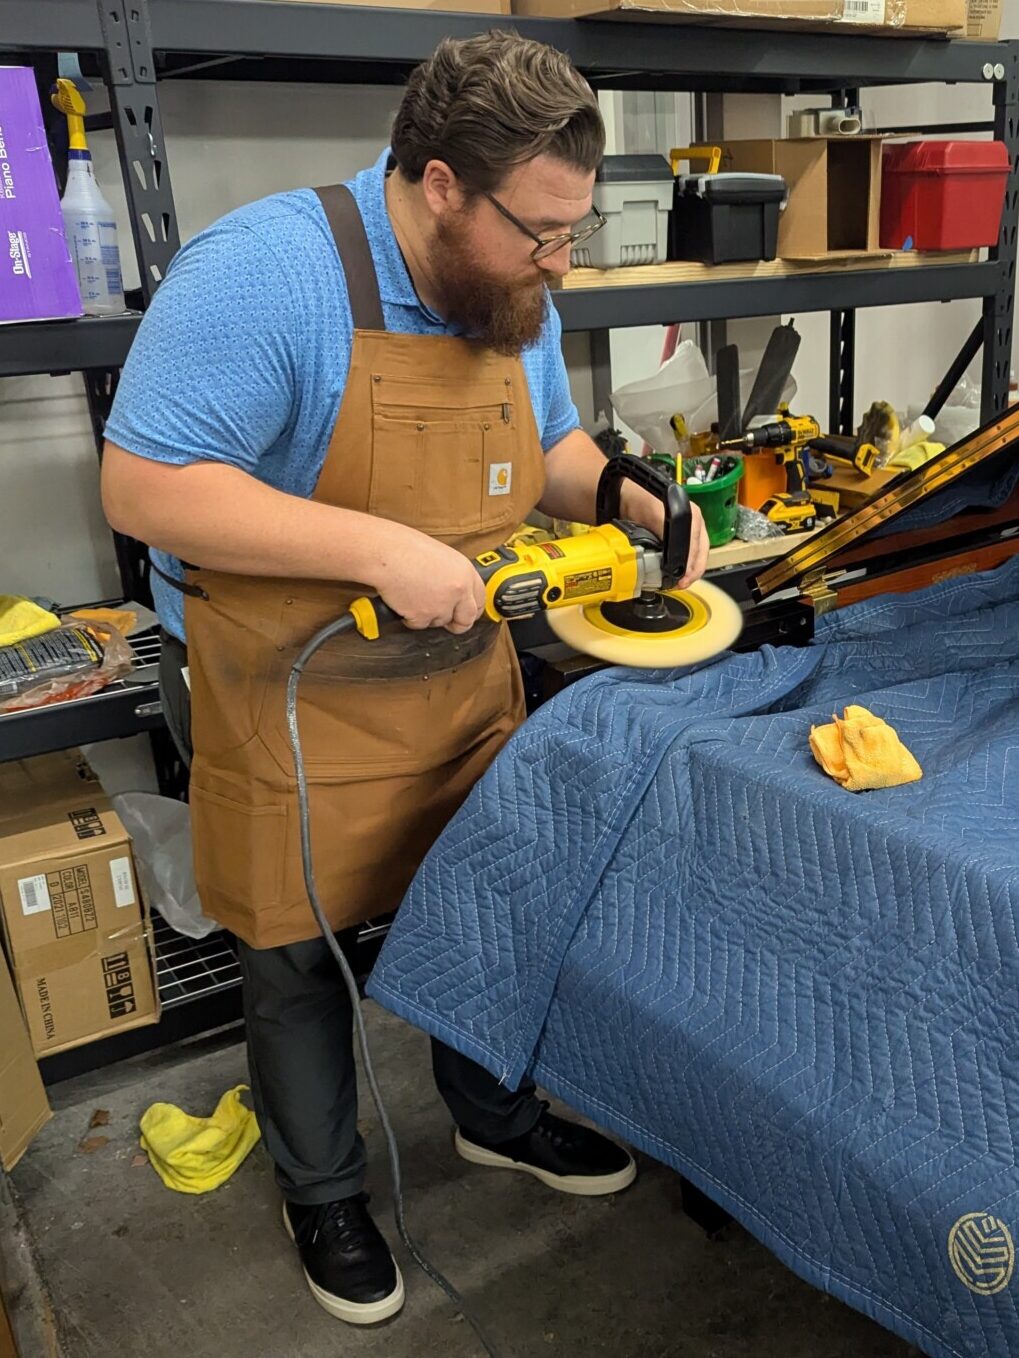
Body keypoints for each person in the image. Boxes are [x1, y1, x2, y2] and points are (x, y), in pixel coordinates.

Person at [101, 30, 708, 1328]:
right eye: (538, 232)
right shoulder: (266, 275)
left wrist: (628, 493)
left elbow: (543, 444)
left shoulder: (513, 286)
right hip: (286, 685)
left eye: (574, 234)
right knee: (297, 949)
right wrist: (379, 545)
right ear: (440, 184)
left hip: (453, 670)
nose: (559, 261)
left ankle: (494, 1111)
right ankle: (320, 1186)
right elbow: (145, 486)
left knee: (489, 893)